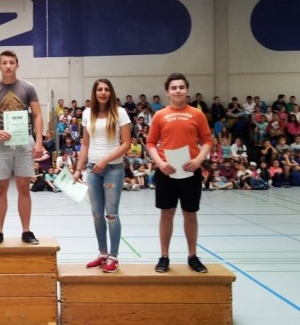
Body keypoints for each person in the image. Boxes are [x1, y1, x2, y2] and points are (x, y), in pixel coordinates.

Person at [146, 73, 213, 274]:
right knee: (166, 213)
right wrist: (160, 163)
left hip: (190, 172)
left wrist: (198, 160)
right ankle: (164, 256)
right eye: (174, 88)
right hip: (166, 172)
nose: (178, 91)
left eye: (181, 87)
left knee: (190, 214)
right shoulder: (159, 115)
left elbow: (207, 141)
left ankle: (192, 256)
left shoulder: (197, 114)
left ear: (187, 90)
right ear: (167, 92)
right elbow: (150, 143)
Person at [0, 50, 44, 246]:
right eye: (4, 63)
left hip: (24, 143)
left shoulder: (28, 88)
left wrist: (39, 141)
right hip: (1, 145)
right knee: (0, 189)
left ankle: (27, 231)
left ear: (17, 65)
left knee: (24, 188)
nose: (8, 66)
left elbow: (37, 115)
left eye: (11, 62)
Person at [73, 79, 131, 273]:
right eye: (100, 89)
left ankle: (113, 257)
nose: (103, 92)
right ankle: (103, 253)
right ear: (95, 93)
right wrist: (78, 169)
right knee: (97, 214)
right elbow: (85, 144)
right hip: (93, 170)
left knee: (111, 214)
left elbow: (126, 144)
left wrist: (105, 160)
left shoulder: (120, 113)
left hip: (113, 170)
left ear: (111, 92)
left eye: (106, 89)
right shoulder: (87, 114)